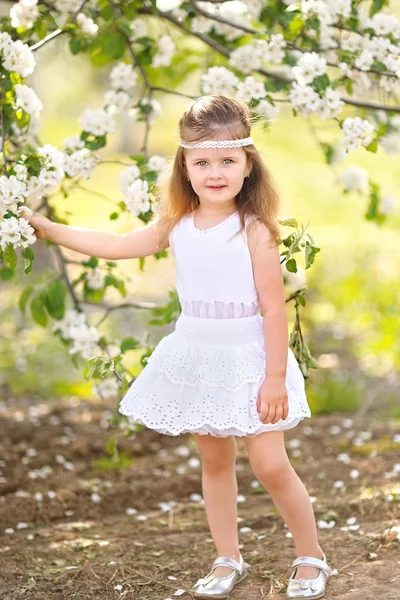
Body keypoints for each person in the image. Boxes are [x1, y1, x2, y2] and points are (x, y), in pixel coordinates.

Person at [27, 94, 334, 599]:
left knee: (270, 464)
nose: (216, 172)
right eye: (203, 161)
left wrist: (275, 376)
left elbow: (274, 308)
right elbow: (116, 244)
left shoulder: (254, 230)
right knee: (214, 462)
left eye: (228, 160)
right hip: (197, 352)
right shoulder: (177, 225)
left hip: (249, 358)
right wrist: (49, 229)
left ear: (247, 166)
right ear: (185, 166)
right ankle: (227, 557)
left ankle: (310, 555)